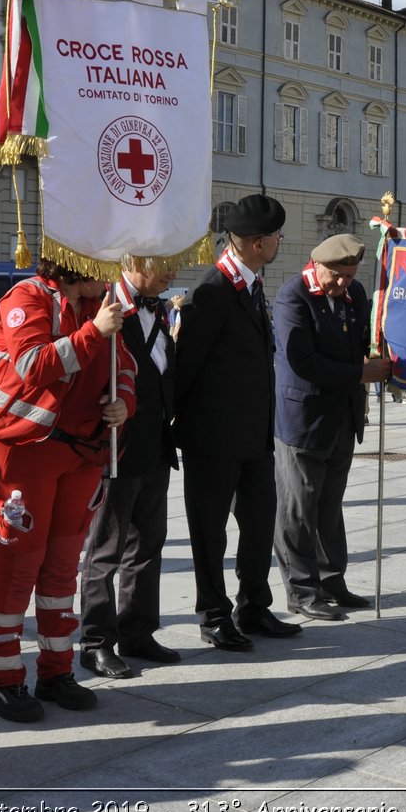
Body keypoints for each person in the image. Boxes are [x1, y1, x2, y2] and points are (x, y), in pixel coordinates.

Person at [0, 259, 134, 722]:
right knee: (21, 564)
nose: (109, 277)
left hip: (79, 454)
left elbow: (124, 365)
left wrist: (124, 401)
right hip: (21, 450)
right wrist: (93, 332)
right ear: (76, 264)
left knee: (62, 568)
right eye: (102, 265)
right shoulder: (28, 297)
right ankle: (3, 680)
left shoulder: (99, 305)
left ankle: (56, 671)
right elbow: (31, 365)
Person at [172, 195, 299, 651]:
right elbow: (186, 367)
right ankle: (213, 613)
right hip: (214, 437)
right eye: (277, 237)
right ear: (259, 243)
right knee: (210, 530)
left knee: (260, 523)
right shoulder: (212, 291)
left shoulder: (250, 285)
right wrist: (178, 430)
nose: (280, 242)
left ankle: (254, 606)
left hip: (253, 436)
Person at [271, 234, 391, 621]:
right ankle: (302, 589)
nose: (343, 283)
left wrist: (378, 350)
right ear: (316, 263)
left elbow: (363, 340)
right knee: (299, 508)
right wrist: (361, 373)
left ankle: (331, 579)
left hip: (343, 419)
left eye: (350, 276)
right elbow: (303, 361)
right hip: (304, 421)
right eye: (337, 276)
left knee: (329, 507)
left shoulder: (353, 293)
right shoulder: (294, 297)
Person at [79, 256, 182, 680]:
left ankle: (138, 631)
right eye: (164, 264)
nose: (172, 272)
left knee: (149, 543)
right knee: (106, 549)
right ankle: (95, 641)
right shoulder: (104, 306)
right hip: (115, 450)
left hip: (155, 446)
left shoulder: (158, 307)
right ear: (135, 260)